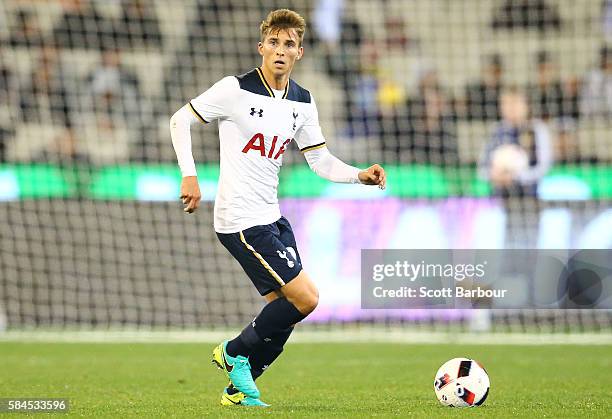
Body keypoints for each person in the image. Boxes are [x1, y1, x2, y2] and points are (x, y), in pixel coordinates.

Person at [169, 9, 386, 407]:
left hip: (272, 217)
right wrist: (190, 175)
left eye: (289, 44)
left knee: (283, 310)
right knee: (306, 299)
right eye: (274, 43)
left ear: (300, 52)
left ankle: (239, 389)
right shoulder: (234, 89)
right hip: (238, 219)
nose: (280, 51)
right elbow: (180, 120)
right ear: (261, 47)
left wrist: (360, 175)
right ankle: (233, 352)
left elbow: (319, 161)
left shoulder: (302, 102)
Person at [479, 87, 552, 198]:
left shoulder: (537, 129)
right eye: (506, 103)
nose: (511, 108)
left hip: (530, 197)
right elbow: (482, 169)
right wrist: (493, 175)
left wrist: (515, 177)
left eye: (515, 103)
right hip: (498, 197)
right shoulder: (496, 130)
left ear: (526, 105)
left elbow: (543, 167)